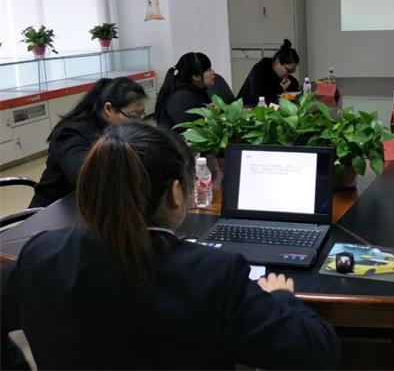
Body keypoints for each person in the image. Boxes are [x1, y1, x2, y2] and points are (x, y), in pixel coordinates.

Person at [1, 124, 339, 370]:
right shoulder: (214, 275)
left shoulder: (41, 256)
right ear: (176, 193)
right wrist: (280, 297)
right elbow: (317, 352)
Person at [29, 77, 146, 208]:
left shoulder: (114, 128)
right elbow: (85, 176)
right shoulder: (70, 133)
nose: (138, 123)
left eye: (141, 115)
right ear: (108, 109)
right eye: (134, 116)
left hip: (86, 204)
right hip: (53, 210)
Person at [155, 52, 217, 130]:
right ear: (196, 77)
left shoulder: (195, 89)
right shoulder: (182, 99)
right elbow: (196, 131)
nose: (213, 72)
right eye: (208, 70)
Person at [237, 39, 300, 106]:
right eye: (288, 70)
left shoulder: (281, 73)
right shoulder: (260, 70)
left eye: (292, 71)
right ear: (278, 61)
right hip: (248, 106)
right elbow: (259, 96)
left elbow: (294, 85)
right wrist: (280, 88)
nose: (289, 74)